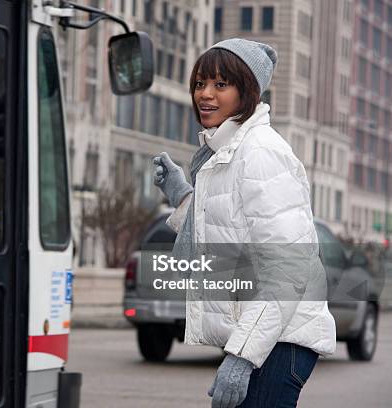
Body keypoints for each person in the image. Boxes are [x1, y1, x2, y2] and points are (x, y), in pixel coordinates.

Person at [152, 39, 336, 408]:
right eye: (200, 83)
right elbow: (231, 235)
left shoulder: (261, 152)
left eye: (221, 85)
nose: (205, 94)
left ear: (247, 91)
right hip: (263, 336)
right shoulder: (225, 153)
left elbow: (288, 268)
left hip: (280, 342)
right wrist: (185, 197)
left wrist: (241, 358)